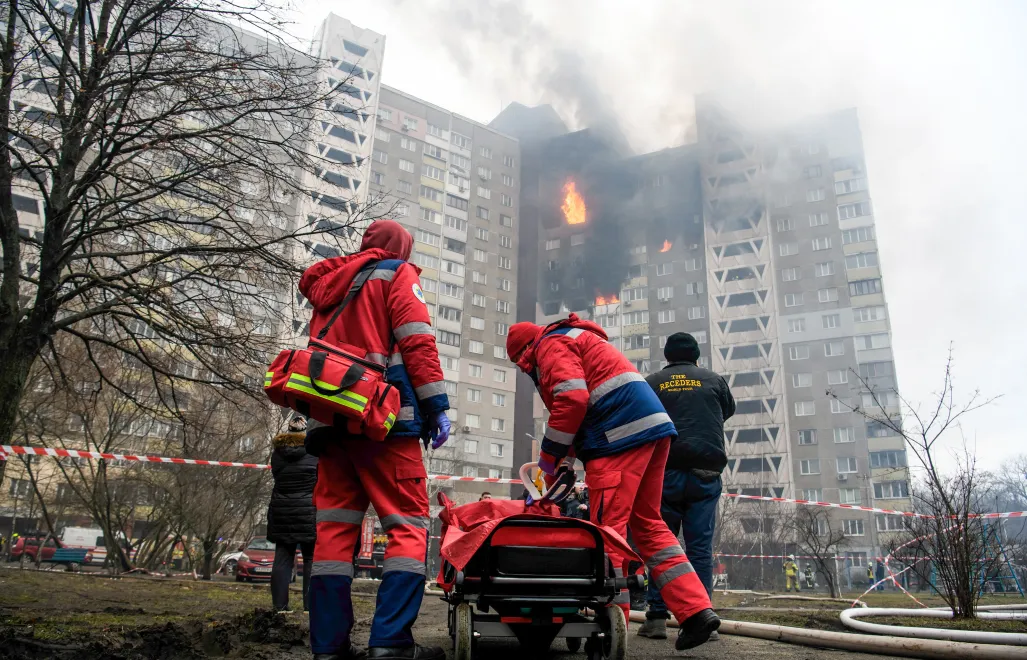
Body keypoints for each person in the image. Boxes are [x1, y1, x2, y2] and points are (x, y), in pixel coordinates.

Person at [506, 313, 720, 651]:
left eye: (521, 363)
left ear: (526, 350)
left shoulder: (549, 345)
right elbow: (583, 407)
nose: (525, 370)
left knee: (608, 530)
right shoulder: (577, 339)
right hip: (652, 431)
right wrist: (565, 461)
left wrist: (548, 459)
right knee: (650, 525)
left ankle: (609, 621)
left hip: (618, 437)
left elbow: (571, 401)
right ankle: (696, 611)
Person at [301, 220, 451, 660]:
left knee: (332, 534)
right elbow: (417, 341)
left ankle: (328, 648)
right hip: (384, 421)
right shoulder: (396, 273)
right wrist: (436, 405)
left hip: (330, 424)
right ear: (401, 248)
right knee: (407, 527)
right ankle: (390, 643)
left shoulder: (330, 283)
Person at [639, 332, 734, 640]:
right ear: (697, 356)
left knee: (660, 545)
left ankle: (655, 618)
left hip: (663, 471)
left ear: (667, 356)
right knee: (699, 548)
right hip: (705, 471)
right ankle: (701, 618)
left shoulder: (652, 382)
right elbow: (726, 411)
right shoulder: (713, 379)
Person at [268, 415, 318, 614]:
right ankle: (310, 607)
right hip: (308, 512)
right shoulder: (314, 453)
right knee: (310, 558)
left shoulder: (277, 454)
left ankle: (280, 607)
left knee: (282, 558)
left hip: (281, 511)